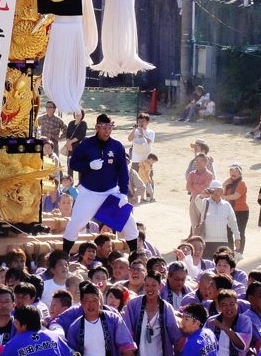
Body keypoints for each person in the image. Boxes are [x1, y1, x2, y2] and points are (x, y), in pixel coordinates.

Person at [62, 113, 139, 254]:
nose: (107, 132)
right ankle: (64, 254)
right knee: (74, 224)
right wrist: (89, 165)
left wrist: (123, 193)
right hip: (89, 192)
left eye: (109, 128)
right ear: (97, 127)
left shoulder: (117, 146)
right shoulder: (86, 144)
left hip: (110, 192)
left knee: (130, 223)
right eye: (104, 128)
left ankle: (135, 254)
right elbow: (73, 163)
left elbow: (123, 171)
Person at [123, 271, 184, 355]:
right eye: (147, 285)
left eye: (154, 285)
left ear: (160, 286)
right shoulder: (133, 304)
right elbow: (127, 330)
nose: (150, 289)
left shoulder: (166, 308)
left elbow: (174, 334)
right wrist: (129, 350)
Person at [192, 180, 241, 257]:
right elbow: (197, 200)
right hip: (206, 241)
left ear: (222, 191)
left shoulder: (226, 205)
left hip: (222, 241)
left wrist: (237, 237)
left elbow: (233, 222)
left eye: (218, 190)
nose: (216, 192)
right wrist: (202, 195)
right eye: (213, 190)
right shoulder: (204, 203)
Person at [1, 305, 73, 356]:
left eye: (16, 322)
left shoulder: (13, 344)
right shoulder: (55, 337)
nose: (14, 325)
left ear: (24, 325)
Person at [221, 163, 249, 258]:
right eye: (231, 171)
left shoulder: (242, 183)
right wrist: (224, 184)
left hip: (241, 211)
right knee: (228, 231)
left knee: (240, 231)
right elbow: (221, 194)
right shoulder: (229, 183)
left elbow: (236, 196)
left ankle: (239, 251)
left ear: (240, 173)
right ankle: (230, 250)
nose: (233, 173)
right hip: (229, 210)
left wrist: (224, 197)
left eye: (236, 171)